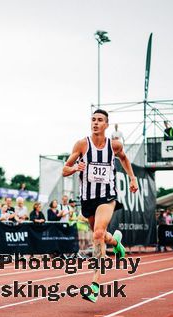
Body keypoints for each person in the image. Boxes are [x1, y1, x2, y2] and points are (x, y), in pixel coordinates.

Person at [62, 109, 138, 303]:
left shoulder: (114, 145)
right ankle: (116, 243)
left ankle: (95, 285)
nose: (95, 123)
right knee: (102, 235)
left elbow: (125, 159)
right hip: (87, 199)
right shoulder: (81, 144)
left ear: (106, 125)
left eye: (100, 120)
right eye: (93, 120)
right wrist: (74, 168)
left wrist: (132, 178)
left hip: (107, 197)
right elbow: (64, 169)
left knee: (97, 234)